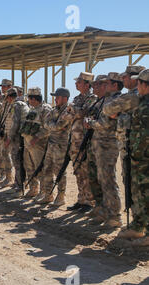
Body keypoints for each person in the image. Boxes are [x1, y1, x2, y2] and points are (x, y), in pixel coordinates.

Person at [117, 69, 149, 246]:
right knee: (138, 193)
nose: (137, 86)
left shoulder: (146, 106)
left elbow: (144, 136)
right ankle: (138, 226)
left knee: (145, 194)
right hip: (140, 157)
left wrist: (136, 156)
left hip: (143, 158)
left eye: (139, 83)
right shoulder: (142, 103)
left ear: (145, 85)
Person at [84, 74, 121, 228]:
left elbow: (105, 124)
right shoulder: (102, 101)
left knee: (108, 180)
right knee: (98, 179)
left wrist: (90, 123)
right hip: (98, 145)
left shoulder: (114, 100)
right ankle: (102, 209)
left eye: (101, 84)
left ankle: (114, 216)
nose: (96, 87)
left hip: (108, 145)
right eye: (96, 85)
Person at [38, 88, 74, 206]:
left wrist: (53, 125)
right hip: (51, 143)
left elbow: (60, 125)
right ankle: (48, 195)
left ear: (64, 98)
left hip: (61, 145)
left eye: (57, 97)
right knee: (47, 169)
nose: (55, 99)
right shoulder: (54, 110)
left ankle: (60, 196)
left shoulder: (68, 110)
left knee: (59, 171)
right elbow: (46, 123)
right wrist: (54, 125)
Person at [68, 72, 97, 213]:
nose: (76, 84)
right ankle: (81, 199)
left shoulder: (92, 98)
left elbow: (83, 112)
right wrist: (74, 110)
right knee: (78, 170)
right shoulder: (77, 98)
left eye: (79, 82)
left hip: (84, 141)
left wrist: (73, 109)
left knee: (86, 171)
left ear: (87, 84)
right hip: (74, 140)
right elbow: (69, 115)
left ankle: (89, 201)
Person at [20, 87, 52, 199]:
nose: (28, 100)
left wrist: (37, 137)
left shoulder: (45, 109)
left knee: (41, 169)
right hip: (28, 144)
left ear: (34, 98)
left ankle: (46, 193)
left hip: (39, 145)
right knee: (29, 167)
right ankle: (34, 189)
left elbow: (48, 128)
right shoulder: (32, 109)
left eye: (29, 98)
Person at [7, 87, 30, 195]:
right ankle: (20, 184)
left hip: (18, 138)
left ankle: (20, 187)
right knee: (21, 161)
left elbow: (15, 123)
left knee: (17, 161)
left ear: (9, 97)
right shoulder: (23, 104)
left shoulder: (16, 105)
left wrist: (9, 137)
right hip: (24, 137)